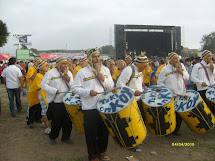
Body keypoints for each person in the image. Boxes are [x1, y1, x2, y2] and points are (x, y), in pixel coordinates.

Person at [72, 48, 114, 161]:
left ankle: (102, 152)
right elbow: (75, 88)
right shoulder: (82, 72)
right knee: (91, 133)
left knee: (104, 131)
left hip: (105, 106)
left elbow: (111, 85)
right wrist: (87, 92)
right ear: (89, 58)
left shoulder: (105, 70)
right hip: (89, 107)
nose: (97, 59)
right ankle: (93, 155)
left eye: (98, 56)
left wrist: (103, 79)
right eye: (94, 57)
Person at [116, 54, 148, 151]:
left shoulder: (140, 70)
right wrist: (134, 91)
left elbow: (138, 84)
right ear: (138, 64)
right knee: (131, 122)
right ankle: (132, 144)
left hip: (139, 100)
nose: (144, 68)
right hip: (129, 101)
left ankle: (138, 138)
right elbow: (119, 84)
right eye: (143, 66)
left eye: (146, 66)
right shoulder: (128, 70)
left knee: (140, 120)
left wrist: (143, 91)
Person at [41, 57, 73, 144]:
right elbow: (43, 85)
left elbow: (73, 86)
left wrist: (68, 80)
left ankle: (66, 137)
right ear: (58, 64)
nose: (65, 65)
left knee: (68, 121)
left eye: (66, 63)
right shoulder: (50, 73)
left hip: (67, 102)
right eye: (63, 64)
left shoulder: (69, 73)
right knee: (56, 122)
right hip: (56, 102)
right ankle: (53, 137)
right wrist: (54, 91)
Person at [157, 52, 189, 136]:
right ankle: (168, 131)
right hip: (170, 96)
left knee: (179, 115)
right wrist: (167, 91)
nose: (177, 60)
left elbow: (187, 77)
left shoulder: (181, 65)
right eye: (175, 58)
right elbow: (160, 82)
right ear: (171, 59)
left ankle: (176, 131)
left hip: (180, 94)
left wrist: (181, 71)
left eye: (178, 58)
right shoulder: (165, 69)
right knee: (170, 115)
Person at [191, 50, 215, 115]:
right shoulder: (197, 66)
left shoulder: (212, 65)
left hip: (212, 89)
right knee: (206, 108)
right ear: (204, 57)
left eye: (211, 56)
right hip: (202, 90)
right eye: (209, 56)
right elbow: (193, 77)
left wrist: (212, 70)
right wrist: (201, 82)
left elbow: (213, 76)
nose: (210, 58)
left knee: (213, 107)